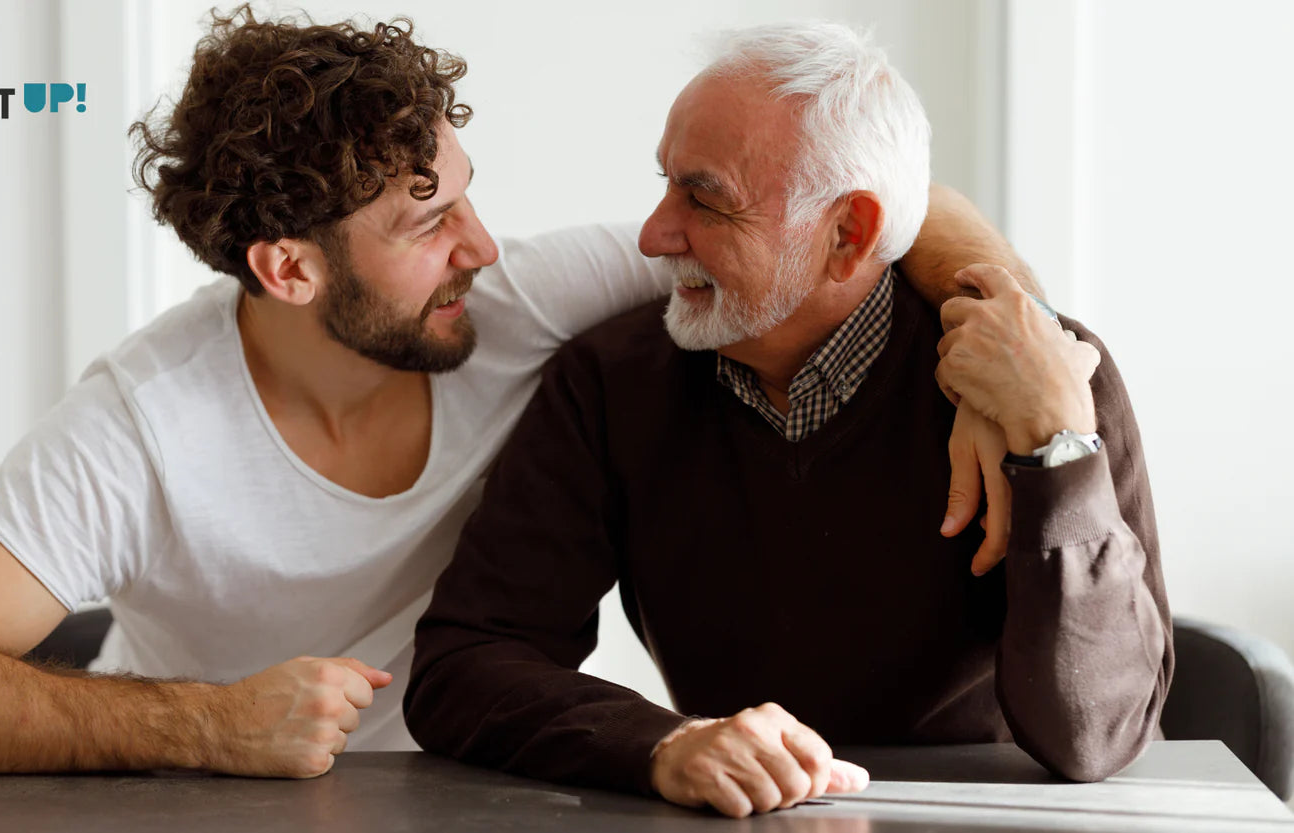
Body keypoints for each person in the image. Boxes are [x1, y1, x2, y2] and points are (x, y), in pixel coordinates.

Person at [0, 8, 1045, 777]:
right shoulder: (141, 427)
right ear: (289, 269)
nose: (484, 245)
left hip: (484, 789)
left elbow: (868, 203)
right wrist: (206, 728)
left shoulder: (516, 302)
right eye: (427, 218)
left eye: (466, 190)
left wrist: (1006, 341)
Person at [404, 21, 1171, 818]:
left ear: (850, 233)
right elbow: (467, 660)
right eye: (665, 183)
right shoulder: (609, 383)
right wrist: (662, 743)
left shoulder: (1049, 380)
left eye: (704, 198)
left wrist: (1056, 450)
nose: (653, 235)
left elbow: (1096, 737)